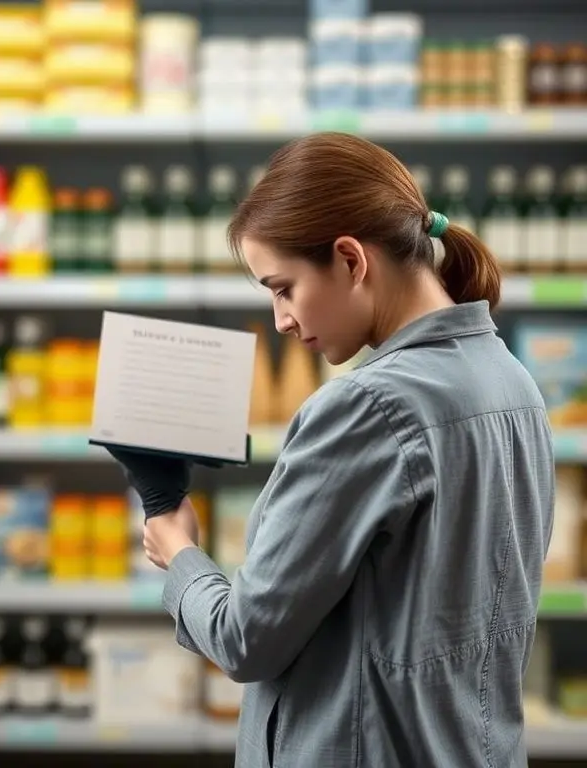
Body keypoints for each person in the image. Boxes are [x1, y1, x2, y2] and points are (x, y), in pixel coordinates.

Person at [106, 133, 555, 767]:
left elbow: (246, 639)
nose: (281, 319)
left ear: (350, 259)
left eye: (284, 287)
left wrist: (176, 550)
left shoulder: (365, 408)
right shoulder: (514, 383)